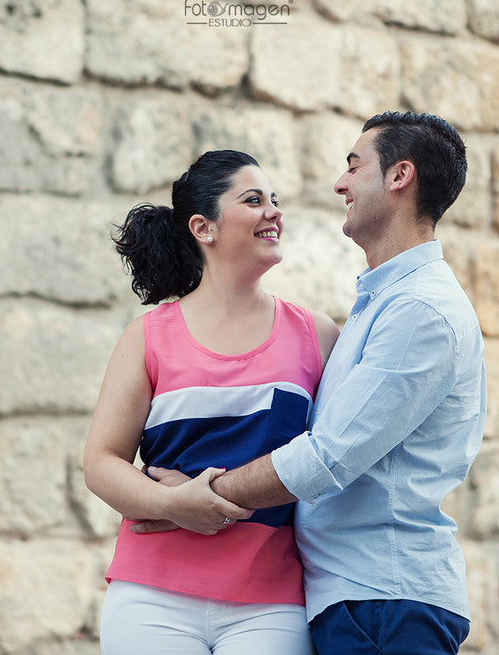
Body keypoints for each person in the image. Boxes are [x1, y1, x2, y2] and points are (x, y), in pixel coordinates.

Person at [140, 112, 487, 655]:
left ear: (400, 177)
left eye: (354, 167)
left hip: (385, 605)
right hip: (355, 603)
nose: (340, 184)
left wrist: (198, 496)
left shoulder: (420, 310)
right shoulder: (379, 305)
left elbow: (327, 456)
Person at [84, 149, 340, 655]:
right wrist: (172, 505)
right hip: (151, 599)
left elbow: (334, 458)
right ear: (204, 228)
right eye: (253, 200)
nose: (274, 212)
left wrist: (215, 494)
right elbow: (100, 462)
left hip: (273, 602)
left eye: (275, 200)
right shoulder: (148, 336)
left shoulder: (319, 336)